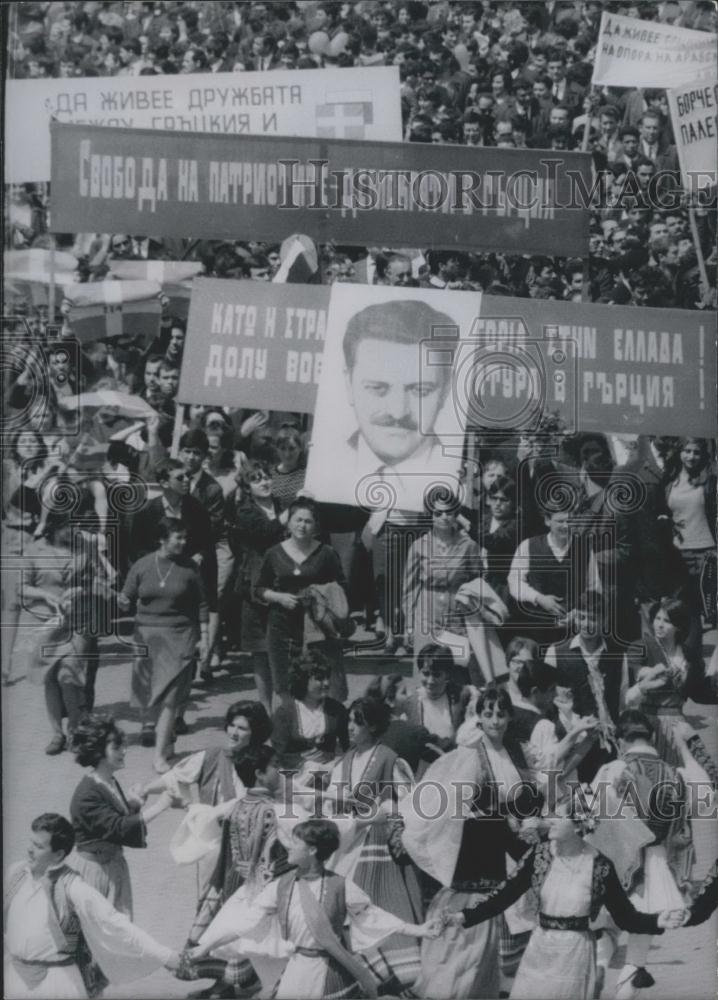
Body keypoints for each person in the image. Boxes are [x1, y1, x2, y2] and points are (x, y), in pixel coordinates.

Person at [185, 818, 441, 1000]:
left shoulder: (340, 887)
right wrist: (205, 948)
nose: (289, 848)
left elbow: (375, 917)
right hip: (297, 968)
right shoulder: (281, 886)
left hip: (332, 973)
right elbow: (243, 924)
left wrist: (420, 930)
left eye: (295, 843)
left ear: (312, 850)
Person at [446, 806, 678, 1000]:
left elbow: (625, 916)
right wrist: (464, 916)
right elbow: (504, 894)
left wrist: (657, 919)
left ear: (579, 826)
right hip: (539, 950)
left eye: (559, 817)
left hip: (575, 956)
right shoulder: (539, 856)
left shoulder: (600, 866)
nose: (550, 821)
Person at [403, 686, 541, 999]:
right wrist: (495, 816)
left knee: (496, 946)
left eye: (501, 713)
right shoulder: (470, 754)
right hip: (480, 847)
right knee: (468, 937)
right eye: (488, 713)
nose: (495, 720)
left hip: (510, 844)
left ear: (509, 716)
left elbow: (528, 797)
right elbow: (453, 800)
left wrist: (527, 820)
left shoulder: (517, 753)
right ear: (479, 717)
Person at [307, 298, 465, 512]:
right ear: (348, 383)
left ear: (446, 389)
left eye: (420, 390)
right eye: (377, 388)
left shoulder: (461, 478)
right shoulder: (324, 470)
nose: (398, 411)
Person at [4, 813, 180, 998]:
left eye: (38, 846)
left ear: (58, 855)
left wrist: (166, 956)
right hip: (14, 979)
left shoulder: (72, 887)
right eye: (31, 842)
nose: (29, 850)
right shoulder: (15, 874)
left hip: (56, 984)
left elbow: (114, 923)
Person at [592, 710, 693, 1000]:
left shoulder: (614, 769)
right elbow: (681, 830)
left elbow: (595, 820)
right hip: (656, 863)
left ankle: (597, 969)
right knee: (636, 955)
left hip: (617, 860)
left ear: (622, 740)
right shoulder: (673, 774)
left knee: (607, 932)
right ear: (650, 737)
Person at [326, 697, 424, 993]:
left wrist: (386, 809)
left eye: (358, 721)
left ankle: (396, 982)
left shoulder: (388, 758)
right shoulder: (345, 760)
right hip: (346, 845)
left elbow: (410, 802)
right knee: (348, 914)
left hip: (377, 850)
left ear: (373, 725)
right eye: (350, 720)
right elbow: (332, 803)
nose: (351, 726)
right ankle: (369, 982)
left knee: (379, 909)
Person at [184, 745, 290, 1000]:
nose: (280, 771)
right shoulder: (277, 811)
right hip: (278, 896)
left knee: (273, 977)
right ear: (260, 774)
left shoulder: (236, 807)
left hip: (250, 891)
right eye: (275, 766)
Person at [17, 514, 114, 755]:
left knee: (68, 677)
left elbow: (101, 578)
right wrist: (44, 595)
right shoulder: (33, 550)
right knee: (49, 678)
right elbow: (22, 587)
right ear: (53, 526)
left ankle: (74, 731)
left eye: (76, 525)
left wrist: (82, 589)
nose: (74, 530)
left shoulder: (85, 546)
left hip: (79, 621)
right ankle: (56, 734)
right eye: (69, 526)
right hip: (46, 623)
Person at [120, 518, 208, 774]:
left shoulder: (190, 567)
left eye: (184, 537)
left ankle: (159, 755)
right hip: (147, 636)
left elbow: (202, 603)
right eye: (178, 538)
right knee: (151, 694)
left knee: (171, 697)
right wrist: (122, 601)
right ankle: (164, 735)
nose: (184, 542)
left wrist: (204, 636)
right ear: (161, 539)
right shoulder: (142, 565)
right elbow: (127, 597)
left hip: (181, 635)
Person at [68, 714, 171, 917]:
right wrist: (161, 806)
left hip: (113, 866)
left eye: (123, 746)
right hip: (95, 872)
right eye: (116, 748)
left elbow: (112, 821)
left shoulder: (108, 781)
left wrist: (133, 805)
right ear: (98, 753)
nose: (124, 751)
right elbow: (117, 827)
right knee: (99, 934)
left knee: (119, 931)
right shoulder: (87, 793)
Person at [256, 498, 348, 704]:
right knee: (284, 684)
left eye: (308, 521)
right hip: (282, 627)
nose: (302, 526)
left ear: (315, 526)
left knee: (317, 683)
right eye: (297, 520)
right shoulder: (274, 553)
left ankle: (317, 728)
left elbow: (342, 586)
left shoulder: (326, 554)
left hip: (318, 629)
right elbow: (259, 589)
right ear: (288, 523)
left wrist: (321, 597)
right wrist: (278, 597)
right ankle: (292, 728)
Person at [624, 597, 714, 766]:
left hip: (677, 724)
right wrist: (655, 673)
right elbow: (639, 673)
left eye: (667, 621)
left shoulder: (689, 655)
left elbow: (698, 692)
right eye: (657, 619)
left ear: (678, 626)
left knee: (685, 775)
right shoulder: (642, 646)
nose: (659, 624)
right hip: (646, 723)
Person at [230, 460, 286, 713]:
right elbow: (264, 533)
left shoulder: (282, 505)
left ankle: (286, 708)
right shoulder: (245, 511)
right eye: (256, 478)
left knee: (284, 649)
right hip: (255, 586)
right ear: (247, 486)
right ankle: (265, 708)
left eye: (266, 476)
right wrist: (288, 517)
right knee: (261, 651)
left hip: (285, 584)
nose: (264, 482)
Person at [402, 490, 483, 665]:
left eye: (449, 512)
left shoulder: (469, 545)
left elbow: (478, 581)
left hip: (456, 616)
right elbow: (409, 590)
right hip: (426, 615)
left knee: (457, 670)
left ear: (456, 513)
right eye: (438, 513)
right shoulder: (418, 546)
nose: (444, 517)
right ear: (430, 515)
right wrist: (409, 625)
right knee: (427, 670)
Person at [663, 438, 716, 623]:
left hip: (705, 553)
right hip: (677, 552)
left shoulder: (710, 480)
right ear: (679, 452)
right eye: (687, 450)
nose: (691, 456)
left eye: (697, 452)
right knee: (678, 607)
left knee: (703, 609)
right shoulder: (670, 480)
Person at [272, 650, 349, 773]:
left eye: (327, 677)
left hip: (331, 771)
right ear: (303, 680)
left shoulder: (337, 710)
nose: (326, 683)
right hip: (296, 776)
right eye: (319, 678)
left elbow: (348, 745)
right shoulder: (284, 714)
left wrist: (337, 762)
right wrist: (309, 765)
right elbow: (280, 755)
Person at [272, 424, 307, 505]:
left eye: (292, 448)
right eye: (282, 448)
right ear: (277, 449)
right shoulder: (269, 474)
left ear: (300, 448)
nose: (287, 454)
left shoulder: (307, 475)